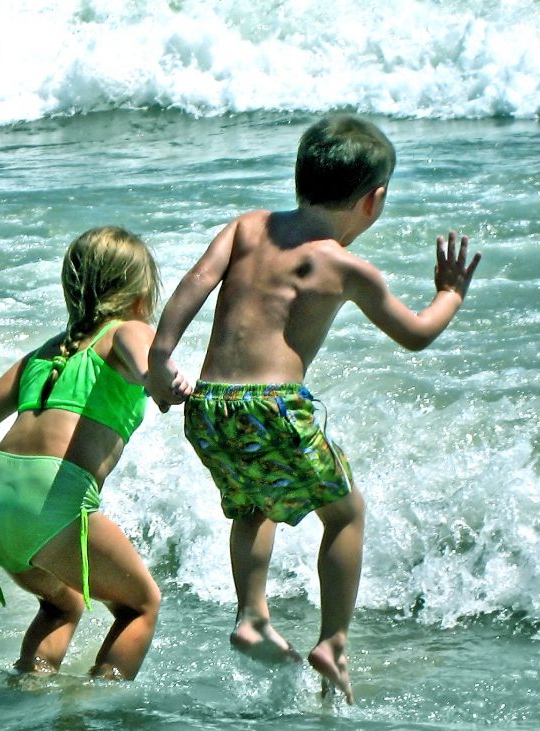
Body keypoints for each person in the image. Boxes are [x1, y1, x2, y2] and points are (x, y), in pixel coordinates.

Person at [146, 114, 481, 703]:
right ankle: (334, 641)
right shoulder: (343, 266)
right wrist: (449, 295)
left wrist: (159, 357)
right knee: (345, 513)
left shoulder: (247, 227)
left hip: (210, 404)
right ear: (372, 202)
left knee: (253, 503)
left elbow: (195, 283)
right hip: (276, 406)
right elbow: (416, 334)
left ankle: (252, 614)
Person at [0, 226, 182, 680]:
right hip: (53, 498)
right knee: (141, 604)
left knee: (63, 601)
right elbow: (140, 353)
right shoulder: (129, 328)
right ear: (140, 295)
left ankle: (30, 685)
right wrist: (157, 378)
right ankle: (100, 707)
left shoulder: (42, 356)